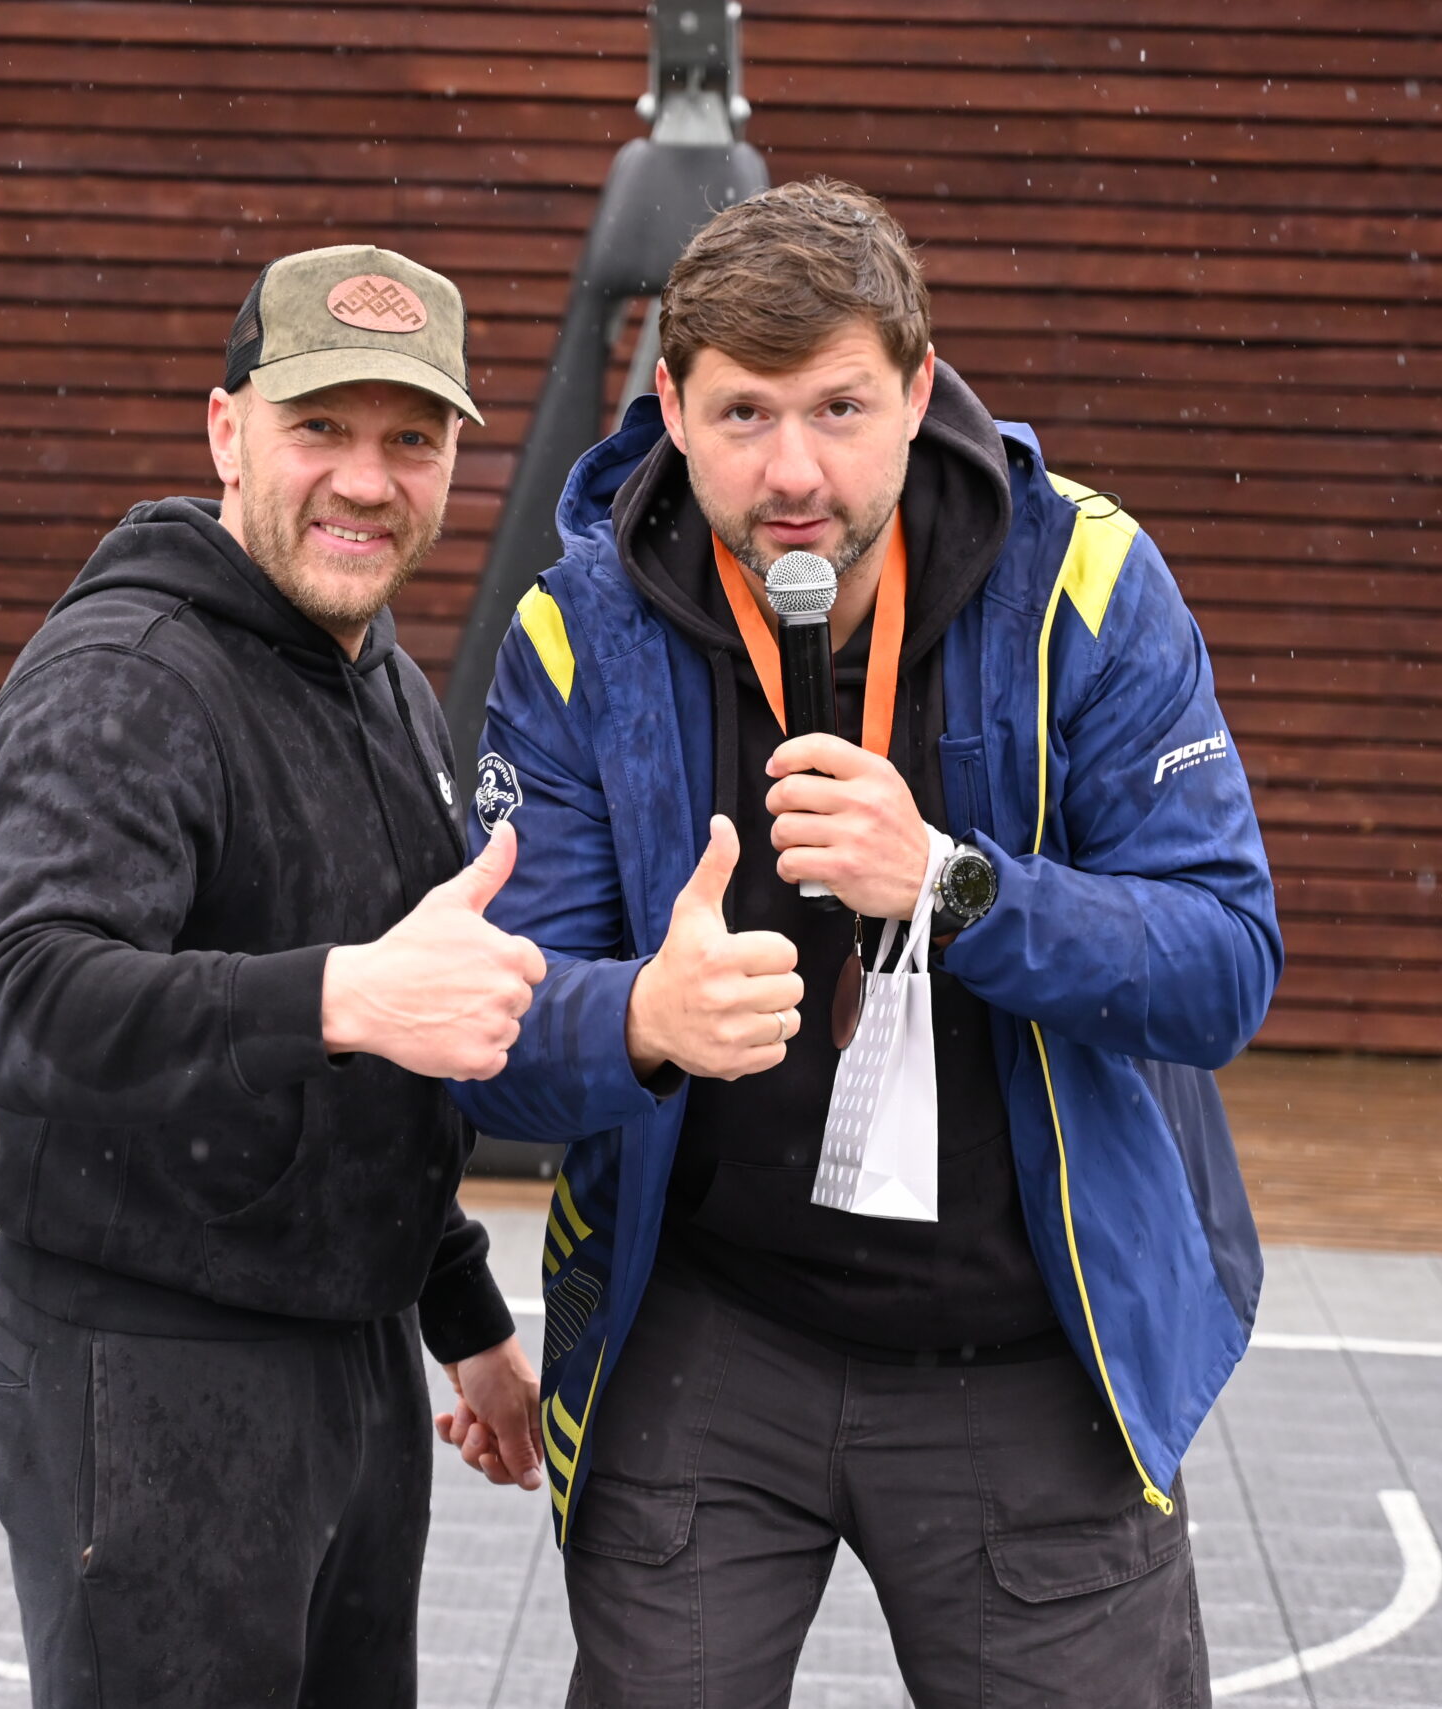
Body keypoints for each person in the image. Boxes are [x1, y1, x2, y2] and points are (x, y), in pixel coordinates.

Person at [445, 181, 1282, 1705]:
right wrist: (639, 1019)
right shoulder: (578, 630)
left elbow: (1224, 963)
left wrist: (959, 891)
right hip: (711, 1327)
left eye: (838, 408)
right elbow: (490, 1038)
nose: (793, 473)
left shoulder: (1086, 582)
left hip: (1027, 1340)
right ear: (670, 411)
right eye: (743, 415)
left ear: (917, 388)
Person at [0, 244, 547, 1708]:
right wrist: (336, 996)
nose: (367, 479)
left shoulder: (382, 681)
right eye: (319, 427)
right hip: (147, 1359)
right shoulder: (128, 673)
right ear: (227, 431)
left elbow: (383, 1065)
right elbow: (21, 998)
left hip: (350, 1350)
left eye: (411, 439)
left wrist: (464, 1321)